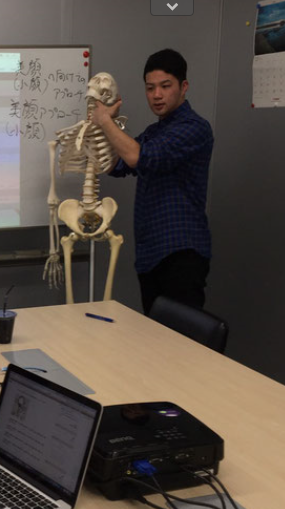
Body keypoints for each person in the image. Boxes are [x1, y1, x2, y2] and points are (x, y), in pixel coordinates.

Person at [91, 48, 213, 315]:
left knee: (179, 337)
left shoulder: (194, 128)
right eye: (150, 88)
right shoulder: (155, 131)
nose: (157, 95)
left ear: (183, 87)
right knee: (155, 335)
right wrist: (103, 127)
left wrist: (106, 122)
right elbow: (116, 165)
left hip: (180, 254)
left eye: (165, 86)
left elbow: (138, 157)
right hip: (151, 255)